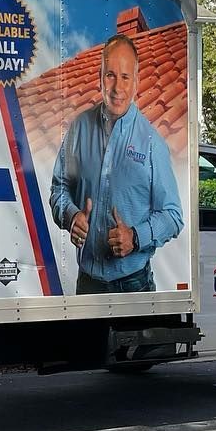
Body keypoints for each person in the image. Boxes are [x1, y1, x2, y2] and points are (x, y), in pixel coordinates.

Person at [49, 34, 182, 293]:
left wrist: (135, 237)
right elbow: (59, 188)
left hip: (134, 284)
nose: (116, 88)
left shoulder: (152, 142)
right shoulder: (79, 129)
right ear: (100, 77)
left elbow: (173, 216)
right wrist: (71, 215)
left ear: (136, 82)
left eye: (125, 77)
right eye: (110, 75)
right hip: (87, 283)